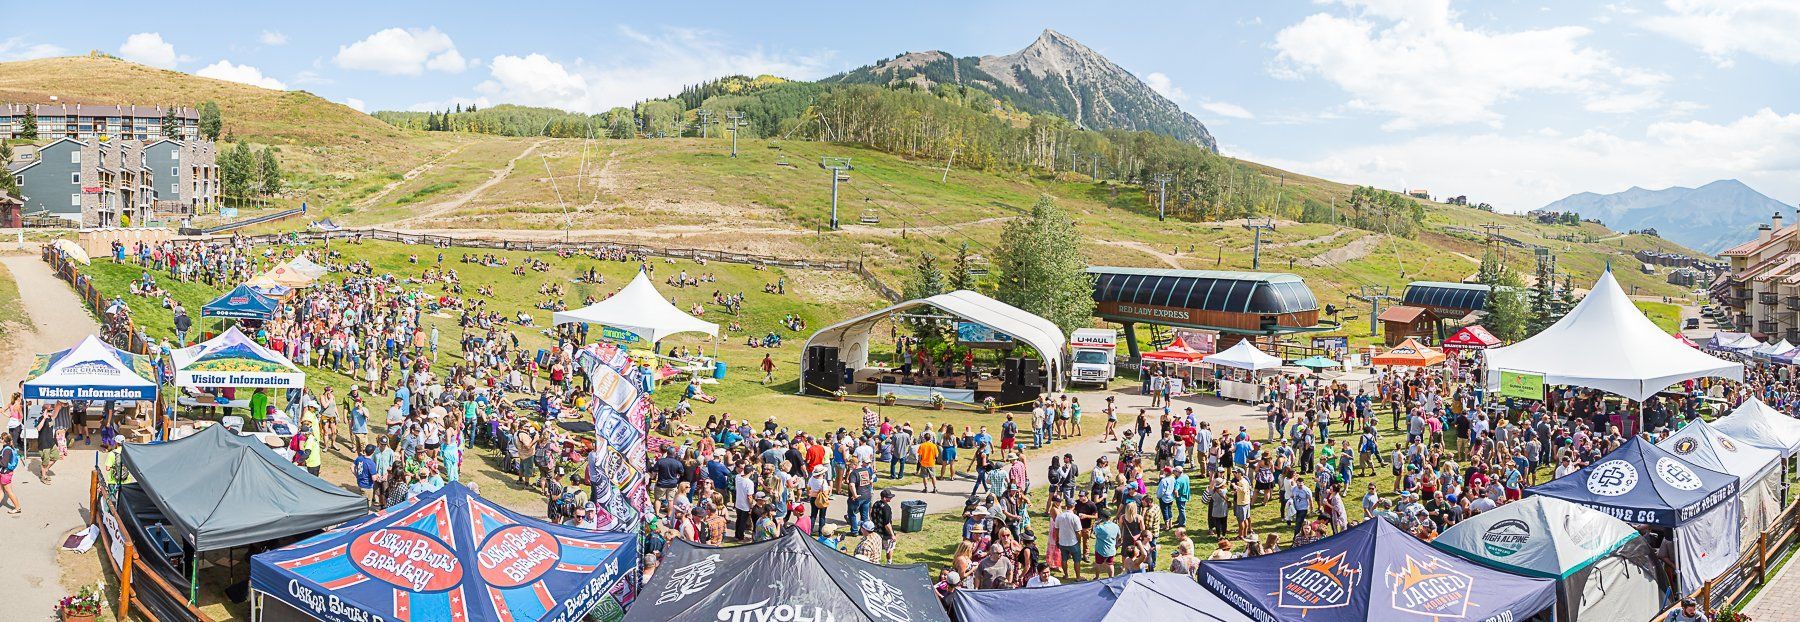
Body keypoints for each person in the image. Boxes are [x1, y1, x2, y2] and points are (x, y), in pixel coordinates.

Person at [1091, 509, 1121, 579]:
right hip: (1111, 549)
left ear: (1102, 518)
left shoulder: (1100, 528)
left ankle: (1097, 577)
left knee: (1098, 563)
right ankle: (1111, 578)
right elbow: (1119, 536)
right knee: (1110, 564)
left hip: (1100, 550)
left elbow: (1094, 532)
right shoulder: (1116, 526)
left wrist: (1097, 523)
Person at [873, 489, 898, 563]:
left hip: (877, 531)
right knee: (889, 548)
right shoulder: (886, 508)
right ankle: (889, 563)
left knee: (877, 548)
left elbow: (871, 513)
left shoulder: (876, 504)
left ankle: (876, 561)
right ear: (884, 498)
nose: (891, 498)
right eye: (889, 497)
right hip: (885, 533)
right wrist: (892, 535)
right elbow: (887, 524)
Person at [0, 432, 19, 514]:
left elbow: (4, 463)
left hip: (6, 473)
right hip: (3, 472)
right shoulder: (6, 447)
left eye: (0, 438)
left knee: (8, 491)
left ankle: (17, 508)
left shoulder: (7, 450)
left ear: (3, 440)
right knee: (1, 490)